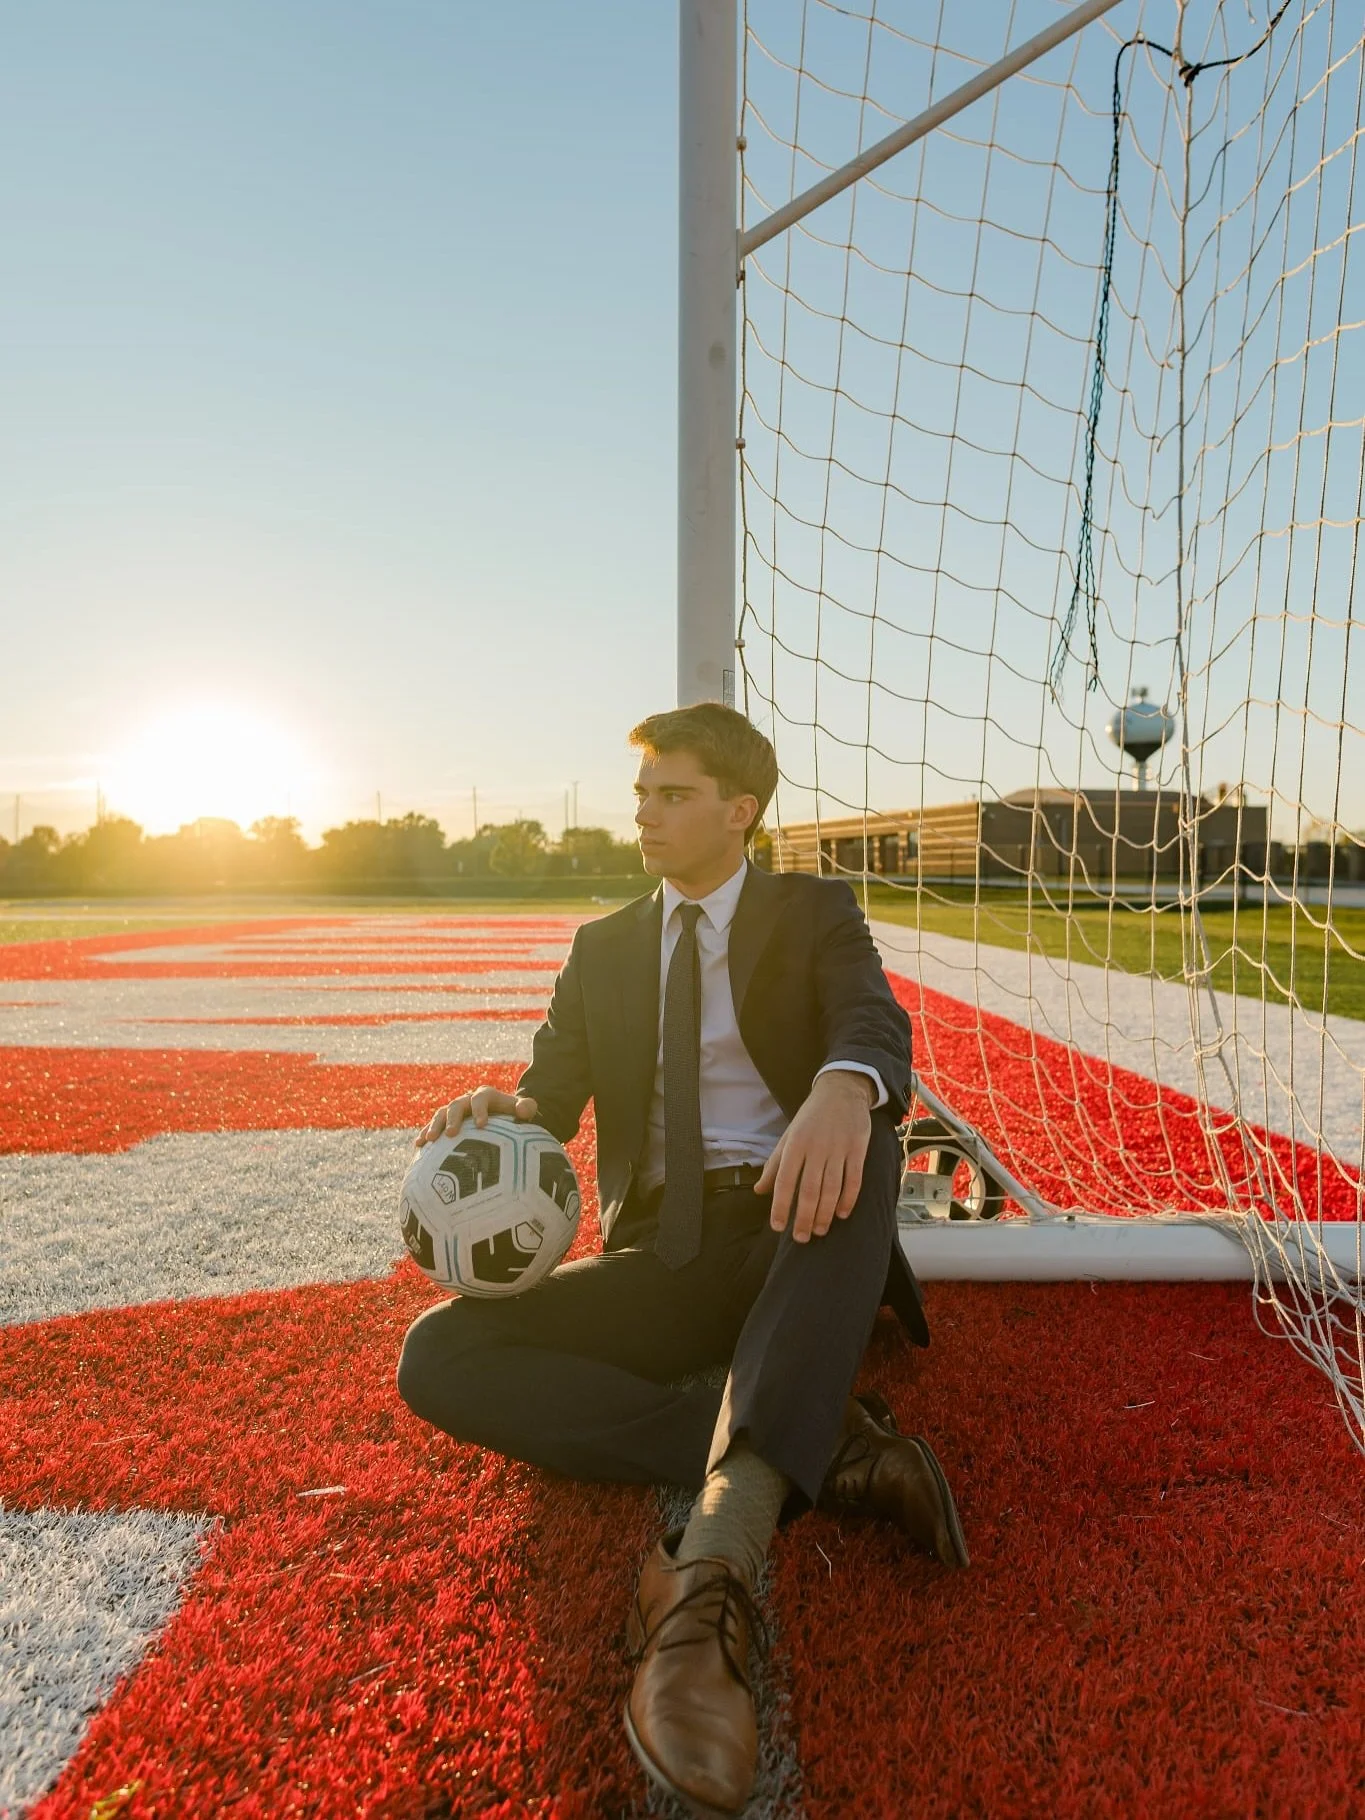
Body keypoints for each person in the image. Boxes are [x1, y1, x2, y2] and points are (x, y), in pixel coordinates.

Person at [397, 704, 967, 1817]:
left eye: (673, 794)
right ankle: (825, 1444)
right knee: (439, 1353)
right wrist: (503, 1109)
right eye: (643, 793)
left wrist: (843, 1090)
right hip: (662, 1256)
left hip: (788, 1231)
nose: (646, 813)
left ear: (739, 809)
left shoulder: (812, 910)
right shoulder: (604, 944)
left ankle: (710, 1568)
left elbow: (873, 1022)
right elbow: (549, 1094)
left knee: (860, 1152)